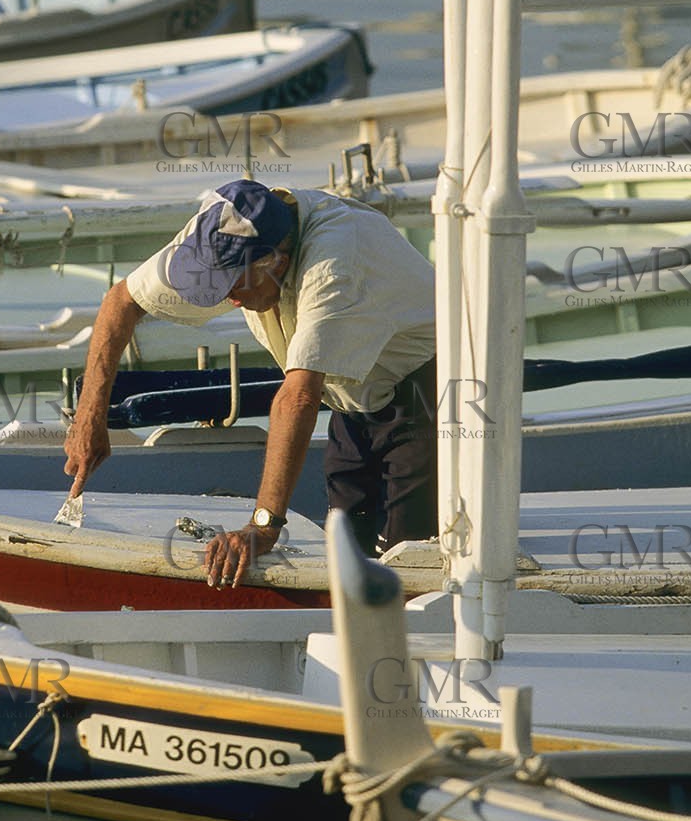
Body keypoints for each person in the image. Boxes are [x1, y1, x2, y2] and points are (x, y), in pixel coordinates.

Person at [63, 179, 437, 588]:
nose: (230, 300)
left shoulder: (333, 264)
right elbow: (121, 301)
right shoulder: (212, 233)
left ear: (276, 261)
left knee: (405, 561)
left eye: (233, 284)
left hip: (428, 391)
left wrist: (262, 527)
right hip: (353, 399)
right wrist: (89, 417)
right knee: (345, 547)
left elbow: (298, 397)